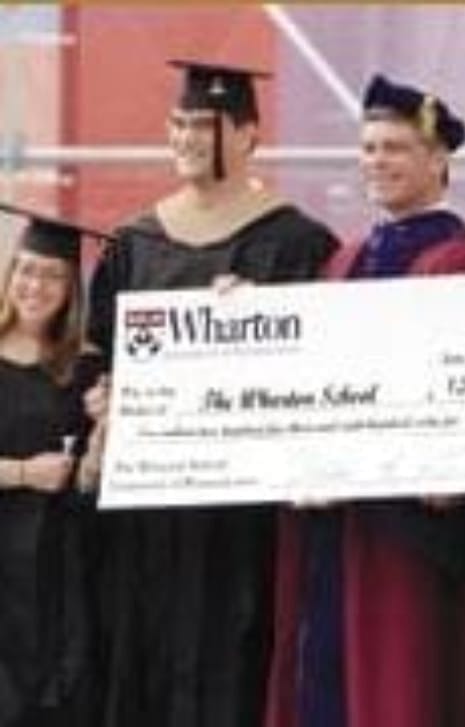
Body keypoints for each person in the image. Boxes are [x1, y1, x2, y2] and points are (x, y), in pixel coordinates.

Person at [86, 59, 339, 727]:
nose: (187, 137)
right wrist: (103, 399)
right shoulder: (136, 241)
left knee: (240, 647)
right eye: (179, 122)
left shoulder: (294, 241)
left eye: (205, 124)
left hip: (244, 510)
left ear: (248, 133)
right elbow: (100, 354)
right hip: (151, 506)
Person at [266, 74, 465, 727]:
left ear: (437, 159)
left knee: (397, 681)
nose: (377, 161)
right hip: (333, 518)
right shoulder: (344, 259)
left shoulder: (461, 262)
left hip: (407, 527)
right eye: (368, 147)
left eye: (395, 147)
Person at [0, 204, 108, 727]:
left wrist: (104, 430)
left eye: (52, 275)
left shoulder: (86, 367)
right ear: (10, 274)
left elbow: (89, 481)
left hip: (59, 570)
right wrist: (22, 472)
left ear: (71, 288)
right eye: (26, 270)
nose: (35, 286)